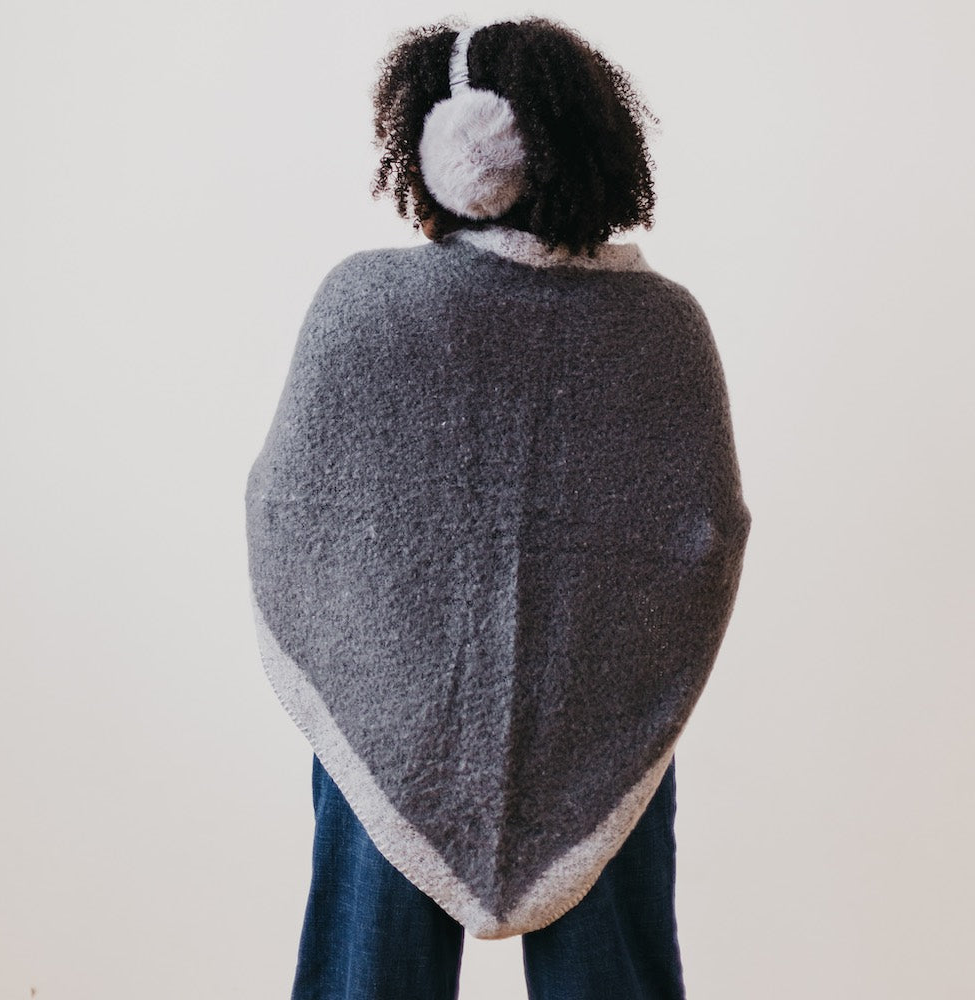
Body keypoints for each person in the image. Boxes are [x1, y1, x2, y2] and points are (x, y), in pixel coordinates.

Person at [244, 15, 751, 1000]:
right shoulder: (663, 325)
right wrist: (621, 677)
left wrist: (372, 660)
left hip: (391, 718)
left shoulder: (362, 302)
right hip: (585, 725)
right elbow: (703, 534)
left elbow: (288, 508)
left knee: (365, 981)